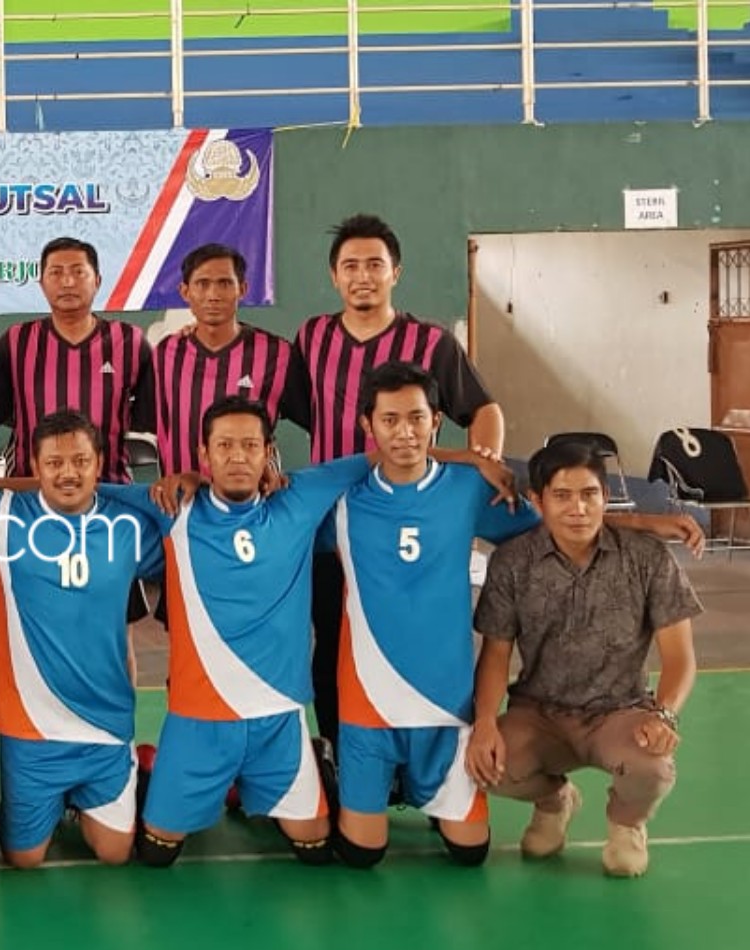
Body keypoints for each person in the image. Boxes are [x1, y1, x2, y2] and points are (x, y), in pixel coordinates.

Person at [129, 396, 513, 867]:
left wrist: (470, 457)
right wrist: (180, 480)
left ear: (268, 452)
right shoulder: (174, 507)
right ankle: (148, 771)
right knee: (153, 853)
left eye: (249, 445)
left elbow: (390, 453)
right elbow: (82, 493)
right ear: (203, 454)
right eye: (223, 445)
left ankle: (311, 765)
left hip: (278, 720)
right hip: (198, 720)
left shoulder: (301, 496)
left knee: (320, 849)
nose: (235, 456)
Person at [289, 214, 505, 758]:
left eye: (374, 265)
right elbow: (285, 409)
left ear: (395, 272)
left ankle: (430, 757)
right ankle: (342, 750)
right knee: (333, 642)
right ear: (334, 276)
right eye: (351, 266)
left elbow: (484, 410)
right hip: (335, 527)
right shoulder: (312, 337)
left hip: (409, 523)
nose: (363, 276)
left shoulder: (430, 341)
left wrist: (481, 465)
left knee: (417, 639)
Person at [327, 364, 540, 867]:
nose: (404, 432)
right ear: (368, 425)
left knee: (470, 854)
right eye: (390, 420)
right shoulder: (340, 498)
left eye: (417, 419)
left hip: (447, 706)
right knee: (362, 855)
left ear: (436, 421)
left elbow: (551, 532)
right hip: (367, 705)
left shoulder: (469, 489)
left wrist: (643, 524)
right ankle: (330, 764)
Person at [468, 438, 702, 877]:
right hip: (539, 713)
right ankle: (555, 801)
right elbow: (495, 655)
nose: (578, 508)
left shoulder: (647, 558)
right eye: (562, 496)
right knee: (486, 764)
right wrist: (484, 724)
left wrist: (665, 716)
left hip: (620, 712)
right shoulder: (512, 563)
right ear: (537, 501)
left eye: (589, 494)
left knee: (651, 767)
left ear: (606, 498)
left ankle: (627, 826)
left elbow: (680, 658)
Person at [0, 410, 167, 868]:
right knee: (23, 860)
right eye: (53, 463)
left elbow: (188, 527)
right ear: (33, 467)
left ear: (100, 462)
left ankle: (145, 769)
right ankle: (63, 801)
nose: (68, 472)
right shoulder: (1, 515)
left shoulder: (128, 526)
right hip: (29, 728)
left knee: (115, 854)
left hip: (105, 722)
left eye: (80, 461)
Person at [0, 237, 154, 483]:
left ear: (97, 281)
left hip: (109, 487)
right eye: (56, 272)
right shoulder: (16, 341)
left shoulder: (130, 341)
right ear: (42, 283)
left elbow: (146, 415)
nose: (67, 281)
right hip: (28, 489)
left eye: (78, 272)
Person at [151, 243, 305, 478]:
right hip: (180, 502)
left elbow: (319, 418)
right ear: (185, 292)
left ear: (242, 289)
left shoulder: (277, 354)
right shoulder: (165, 354)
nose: (213, 295)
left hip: (250, 503)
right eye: (202, 284)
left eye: (224, 283)